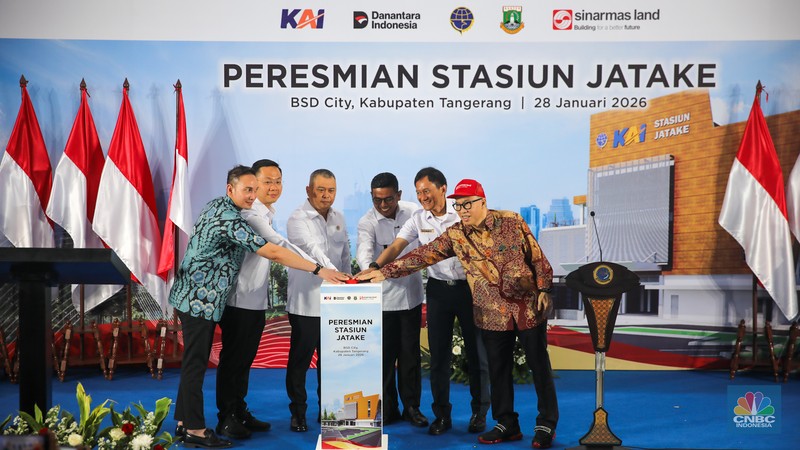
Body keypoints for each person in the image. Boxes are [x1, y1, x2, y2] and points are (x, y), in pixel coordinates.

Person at [357, 178, 559, 449]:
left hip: (527, 307)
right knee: (498, 370)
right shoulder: (456, 235)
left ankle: (546, 422)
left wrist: (545, 288)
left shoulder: (512, 221)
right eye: (458, 205)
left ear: (483, 202)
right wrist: (383, 271)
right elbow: (422, 255)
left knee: (539, 366)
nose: (462, 210)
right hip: (491, 312)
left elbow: (536, 256)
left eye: (467, 204)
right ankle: (506, 422)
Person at [170, 165, 349, 449]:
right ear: (231, 189)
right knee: (197, 365)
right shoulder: (235, 218)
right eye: (250, 189)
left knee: (211, 363)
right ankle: (195, 429)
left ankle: (186, 421)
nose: (255, 194)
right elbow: (276, 249)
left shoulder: (220, 205)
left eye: (261, 187)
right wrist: (320, 270)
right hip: (199, 299)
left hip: (202, 297)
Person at [359, 167, 489, 435]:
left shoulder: (462, 213)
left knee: (477, 355)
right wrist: (374, 267)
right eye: (419, 192)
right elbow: (396, 246)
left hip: (470, 290)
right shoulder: (418, 218)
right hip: (439, 291)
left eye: (427, 191)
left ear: (443, 189)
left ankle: (480, 412)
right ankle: (442, 415)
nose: (422, 197)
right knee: (439, 357)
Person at [215, 159, 314, 440]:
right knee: (233, 360)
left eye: (278, 181)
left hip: (254, 300)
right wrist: (321, 267)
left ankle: (239, 410)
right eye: (267, 182)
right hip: (239, 301)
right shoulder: (250, 216)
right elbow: (279, 246)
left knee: (244, 360)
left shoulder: (265, 212)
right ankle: (227, 417)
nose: (274, 187)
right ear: (254, 184)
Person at [355, 172, 426, 427]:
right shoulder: (367, 222)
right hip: (382, 299)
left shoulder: (413, 212)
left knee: (410, 356)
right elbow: (364, 250)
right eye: (377, 201)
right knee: (384, 358)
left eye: (388, 200)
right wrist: (368, 270)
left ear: (398, 195)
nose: (383, 206)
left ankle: (412, 408)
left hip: (411, 296)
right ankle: (387, 408)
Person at [285, 168, 352, 433]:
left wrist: (351, 284)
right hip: (306, 303)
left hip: (335, 301)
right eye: (321, 190)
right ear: (308, 190)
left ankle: (330, 411)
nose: (326, 196)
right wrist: (334, 273)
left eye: (331, 190)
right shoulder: (296, 219)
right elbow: (312, 251)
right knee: (300, 360)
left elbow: (345, 252)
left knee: (332, 361)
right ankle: (298, 412)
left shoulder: (339, 217)